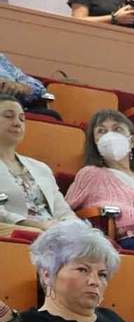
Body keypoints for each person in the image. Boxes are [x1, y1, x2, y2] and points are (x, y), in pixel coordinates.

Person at [66, 110, 134, 244]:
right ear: (95, 143)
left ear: (131, 142)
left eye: (117, 129)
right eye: (102, 131)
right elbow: (64, 209)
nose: (110, 135)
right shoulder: (91, 174)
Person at [0, 96, 73, 237]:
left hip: (51, 231)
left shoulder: (41, 168)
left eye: (22, 119)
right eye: (8, 116)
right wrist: (38, 226)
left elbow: (63, 212)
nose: (17, 123)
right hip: (15, 231)